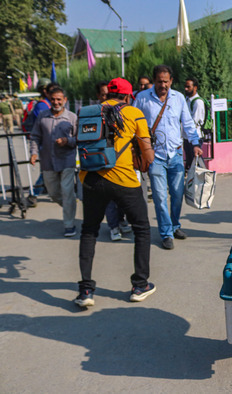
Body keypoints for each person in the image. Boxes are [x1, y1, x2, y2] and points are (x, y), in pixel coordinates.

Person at [75, 77, 156, 307]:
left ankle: (86, 291)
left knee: (89, 231)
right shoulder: (133, 113)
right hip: (123, 180)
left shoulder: (88, 112)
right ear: (129, 96)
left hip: (91, 178)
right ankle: (140, 286)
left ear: (107, 94)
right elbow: (148, 156)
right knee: (141, 229)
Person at [134, 64, 203, 250]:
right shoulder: (141, 99)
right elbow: (135, 125)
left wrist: (195, 144)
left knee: (177, 194)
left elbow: (188, 124)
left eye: (166, 81)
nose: (162, 85)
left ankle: (174, 225)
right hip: (154, 155)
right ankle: (166, 233)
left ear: (171, 81)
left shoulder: (178, 98)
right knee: (159, 196)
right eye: (159, 81)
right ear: (154, 81)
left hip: (176, 154)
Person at [29, 86, 78, 236]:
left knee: (68, 192)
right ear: (49, 100)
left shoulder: (72, 117)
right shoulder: (42, 116)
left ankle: (69, 225)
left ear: (65, 100)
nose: (56, 102)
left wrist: (67, 141)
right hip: (48, 161)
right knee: (53, 193)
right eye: (53, 100)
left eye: (59, 99)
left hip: (67, 161)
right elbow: (35, 136)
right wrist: (34, 153)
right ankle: (69, 207)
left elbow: (79, 139)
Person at [96, 80, 132, 242]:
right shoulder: (129, 112)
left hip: (113, 161)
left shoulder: (96, 111)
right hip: (110, 161)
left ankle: (120, 221)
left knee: (118, 198)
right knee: (112, 198)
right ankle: (113, 226)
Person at [183, 77, 205, 171]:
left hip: (195, 137)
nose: (186, 89)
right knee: (191, 164)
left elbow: (195, 123)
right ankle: (193, 184)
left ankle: (205, 183)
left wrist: (193, 139)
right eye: (185, 86)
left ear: (195, 87)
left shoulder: (198, 102)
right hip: (187, 137)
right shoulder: (187, 100)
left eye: (188, 87)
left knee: (197, 164)